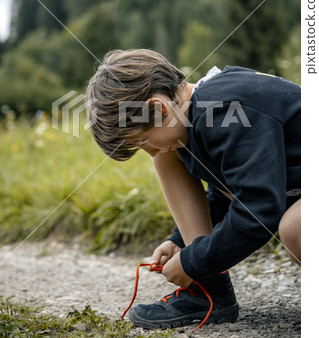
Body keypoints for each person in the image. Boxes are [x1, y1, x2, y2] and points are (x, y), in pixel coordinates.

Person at [86, 48, 301, 330]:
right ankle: (207, 293)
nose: (150, 151)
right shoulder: (200, 118)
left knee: (297, 227)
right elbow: (230, 197)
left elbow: (258, 212)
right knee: (166, 154)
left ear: (159, 108)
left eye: (142, 140)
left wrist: (194, 261)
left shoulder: (223, 108)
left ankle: (204, 284)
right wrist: (182, 242)